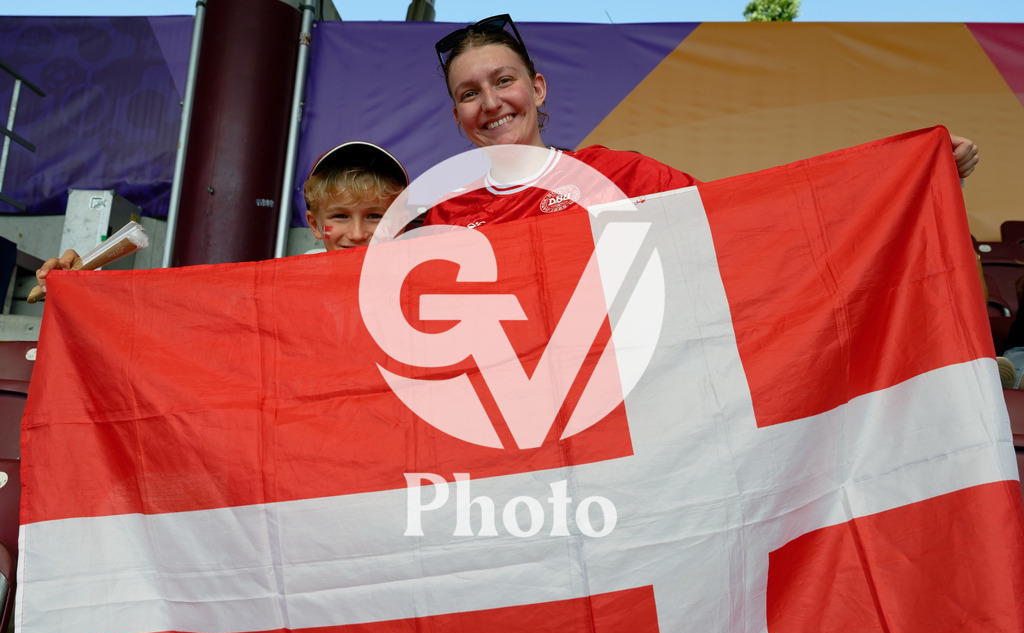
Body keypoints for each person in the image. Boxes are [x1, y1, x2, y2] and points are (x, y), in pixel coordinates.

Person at [423, 14, 978, 229]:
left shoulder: (620, 176)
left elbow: (758, 214)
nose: (490, 103)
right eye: (469, 93)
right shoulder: (441, 217)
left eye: (504, 81)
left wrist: (909, 174)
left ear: (537, 88)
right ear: (457, 116)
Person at [34, 141, 409, 295]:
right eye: (340, 216)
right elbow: (180, 310)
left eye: (376, 216)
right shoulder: (283, 284)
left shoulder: (419, 281)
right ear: (313, 224)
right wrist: (79, 290)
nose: (358, 233)